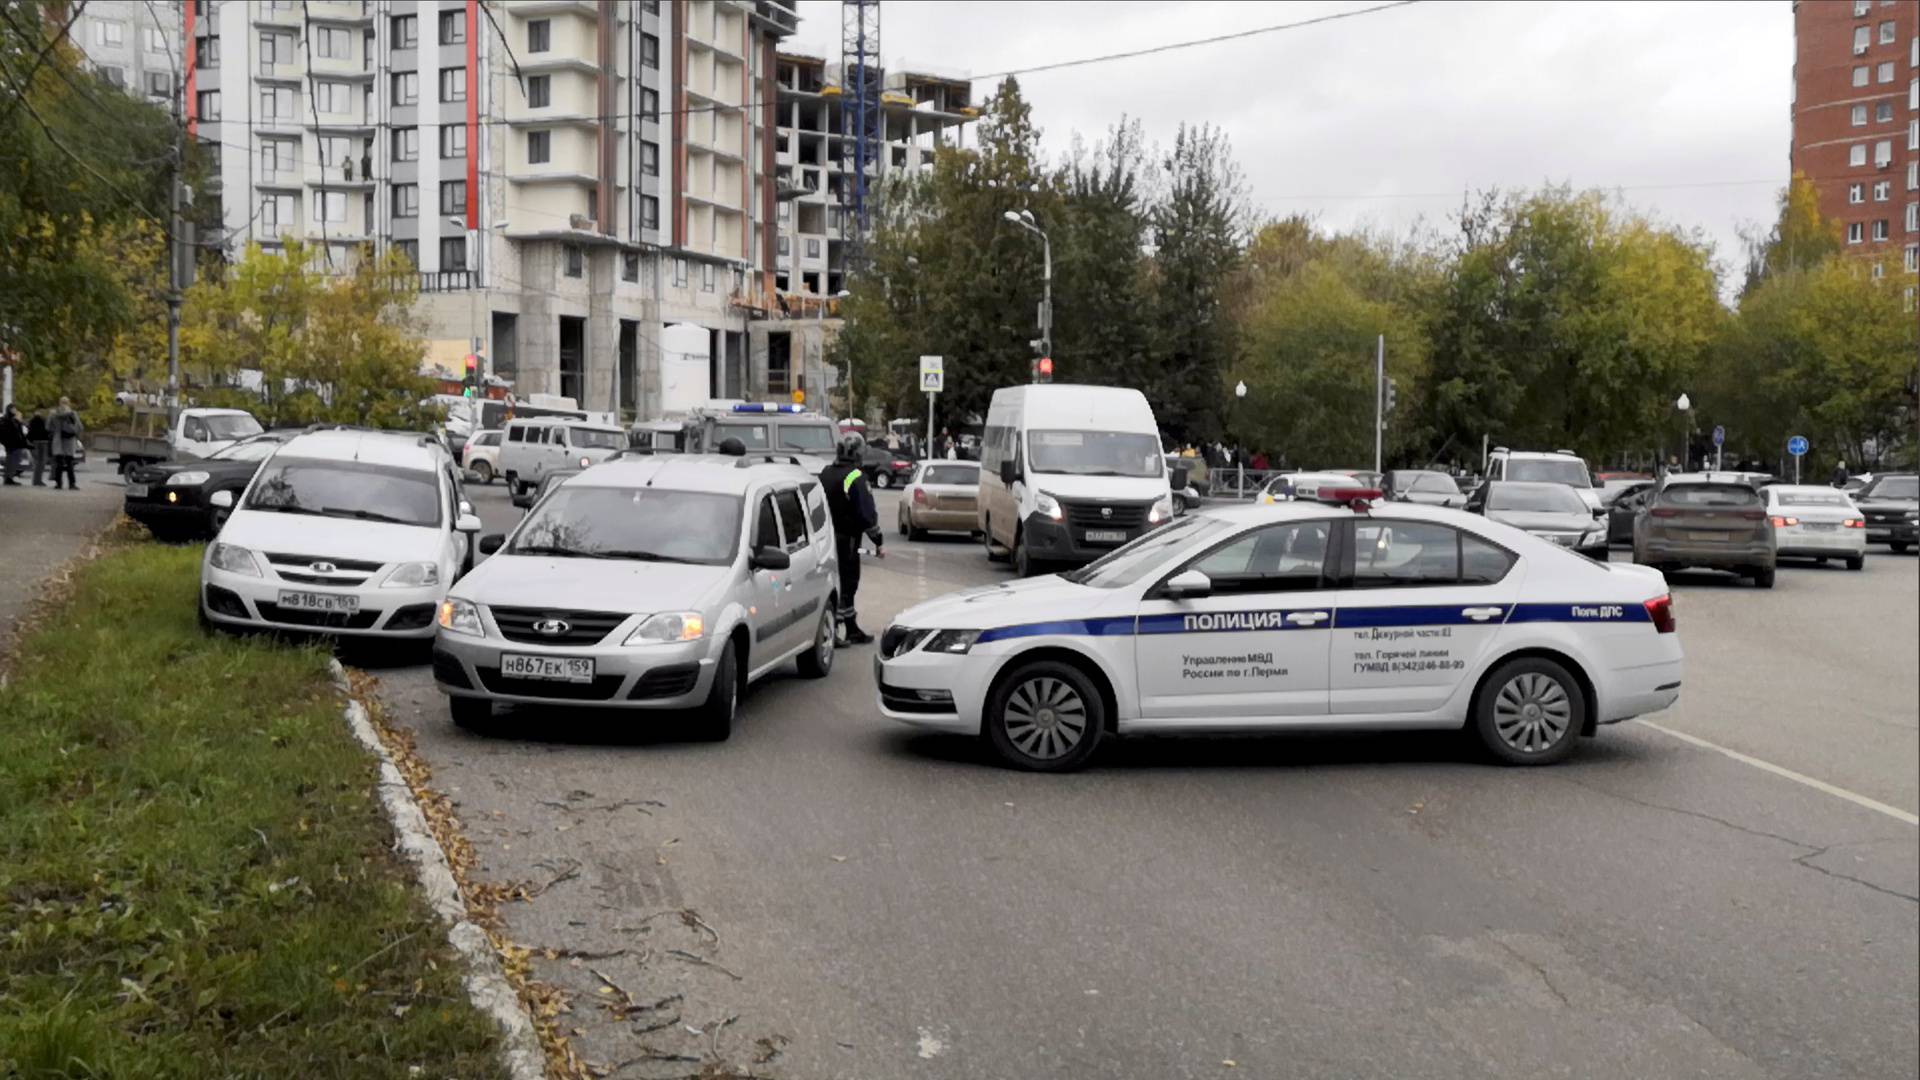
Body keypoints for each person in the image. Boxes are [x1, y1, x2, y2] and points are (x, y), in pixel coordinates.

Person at [819, 432, 883, 646]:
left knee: (834, 581)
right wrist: (877, 539)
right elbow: (866, 513)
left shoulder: (825, 473)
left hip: (825, 539)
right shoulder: (855, 476)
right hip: (847, 540)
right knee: (847, 583)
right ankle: (836, 629)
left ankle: (850, 627)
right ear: (857, 453)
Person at [49, 396, 83, 491]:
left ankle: (58, 484)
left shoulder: (54, 414)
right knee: (70, 463)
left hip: (58, 441)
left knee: (59, 464)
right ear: (69, 403)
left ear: (59, 403)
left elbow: (48, 427)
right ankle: (72, 484)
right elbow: (80, 427)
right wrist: (74, 431)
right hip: (69, 441)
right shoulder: (73, 413)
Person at [0, 404, 26, 485]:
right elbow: (8, 432)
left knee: (14, 460)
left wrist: (19, 422)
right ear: (10, 409)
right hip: (11, 443)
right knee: (11, 461)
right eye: (14, 409)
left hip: (15, 443)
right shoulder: (7, 419)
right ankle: (8, 478)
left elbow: (19, 431)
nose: (15, 410)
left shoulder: (13, 419)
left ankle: (9, 477)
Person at [26, 408, 50, 486]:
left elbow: (30, 433)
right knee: (41, 462)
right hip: (41, 442)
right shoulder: (42, 420)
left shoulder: (32, 421)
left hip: (37, 442)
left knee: (39, 462)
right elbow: (46, 430)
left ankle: (37, 480)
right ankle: (37, 480)